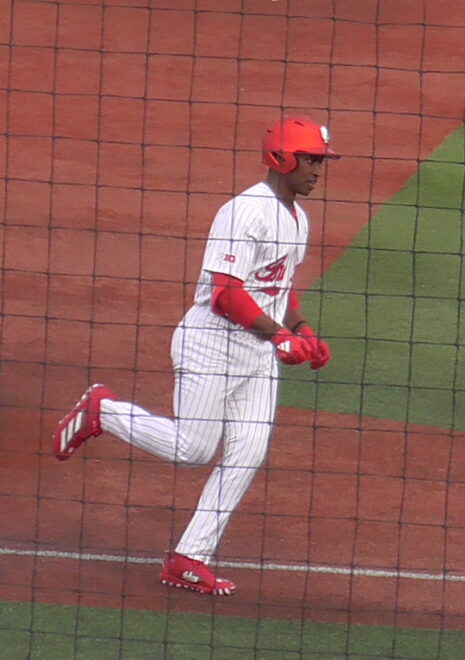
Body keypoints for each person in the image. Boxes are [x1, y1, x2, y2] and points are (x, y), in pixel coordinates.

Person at [52, 117, 339, 595]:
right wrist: (279, 338)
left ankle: (189, 557)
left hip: (256, 353)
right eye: (311, 160)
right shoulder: (244, 212)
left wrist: (302, 330)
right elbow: (225, 294)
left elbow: (279, 286)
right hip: (213, 342)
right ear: (283, 159)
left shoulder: (297, 218)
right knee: (193, 450)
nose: (317, 170)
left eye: (319, 162)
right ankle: (104, 410)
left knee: (248, 451)